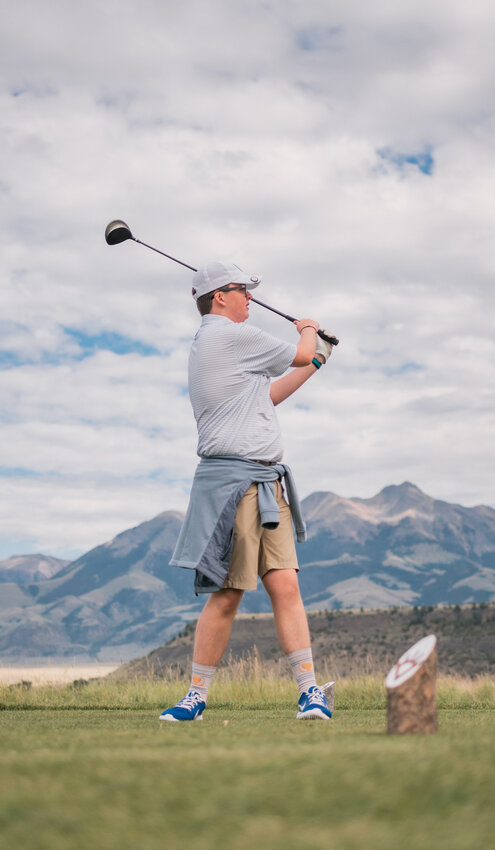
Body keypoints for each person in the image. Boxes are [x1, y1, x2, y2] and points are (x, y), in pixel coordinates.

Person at [160, 260, 334, 722]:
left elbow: (270, 396)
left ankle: (309, 691)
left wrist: (318, 359)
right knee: (228, 592)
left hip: (266, 483)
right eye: (243, 290)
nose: (250, 298)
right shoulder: (227, 336)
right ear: (220, 296)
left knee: (285, 584)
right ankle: (195, 697)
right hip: (234, 485)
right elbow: (297, 352)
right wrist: (310, 330)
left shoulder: (230, 350)